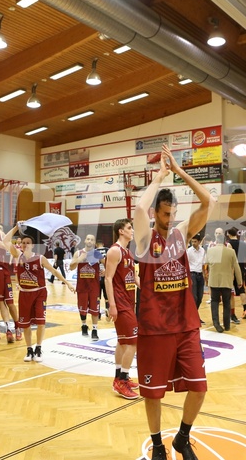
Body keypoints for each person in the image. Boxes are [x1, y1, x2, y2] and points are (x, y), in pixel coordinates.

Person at [133, 145, 215, 460]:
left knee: (199, 388)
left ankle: (182, 437)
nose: (170, 219)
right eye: (165, 214)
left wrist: (180, 173)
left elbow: (207, 201)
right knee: (152, 394)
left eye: (173, 214)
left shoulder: (181, 233)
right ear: (156, 213)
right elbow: (139, 210)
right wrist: (159, 178)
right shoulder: (144, 239)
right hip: (154, 328)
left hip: (185, 326)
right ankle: (157, 444)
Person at [4, 223, 74, 362]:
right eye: (23, 243)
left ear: (32, 245)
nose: (25, 245)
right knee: (26, 324)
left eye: (28, 243)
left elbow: (54, 271)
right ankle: (29, 349)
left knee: (41, 322)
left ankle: (39, 347)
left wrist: (67, 283)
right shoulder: (18, 255)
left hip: (39, 293)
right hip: (24, 293)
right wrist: (17, 228)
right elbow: (5, 240)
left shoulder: (40, 258)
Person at [104, 218, 140, 399]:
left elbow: (132, 276)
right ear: (120, 231)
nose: (132, 230)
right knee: (134, 342)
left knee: (123, 341)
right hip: (120, 303)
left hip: (129, 300)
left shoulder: (127, 252)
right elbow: (108, 278)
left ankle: (118, 377)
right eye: (129, 228)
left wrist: (144, 288)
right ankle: (122, 382)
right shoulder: (114, 251)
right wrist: (112, 305)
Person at [205, 228, 243, 332]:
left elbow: (206, 264)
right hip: (227, 281)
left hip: (214, 281)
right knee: (227, 303)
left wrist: (206, 277)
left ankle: (216, 323)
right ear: (225, 240)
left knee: (214, 302)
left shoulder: (210, 250)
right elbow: (236, 267)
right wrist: (239, 281)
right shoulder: (231, 252)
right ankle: (227, 325)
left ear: (217, 240)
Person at [69, 234, 104, 340]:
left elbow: (107, 264)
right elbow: (71, 267)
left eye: (92, 240)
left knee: (94, 309)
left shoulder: (97, 254)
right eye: (88, 239)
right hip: (82, 286)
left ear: (94, 243)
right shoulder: (78, 253)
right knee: (82, 308)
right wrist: (79, 259)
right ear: (85, 241)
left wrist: (105, 271)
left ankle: (94, 330)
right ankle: (84, 325)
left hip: (94, 286)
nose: (89, 241)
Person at [226, 227, 246, 321]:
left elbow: (229, 258)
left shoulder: (229, 244)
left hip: (232, 270)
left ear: (229, 234)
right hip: (241, 269)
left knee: (231, 293)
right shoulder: (243, 243)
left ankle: (231, 313)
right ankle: (245, 309)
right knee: (241, 290)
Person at [187, 233, 206, 324]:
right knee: (194, 297)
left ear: (199, 241)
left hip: (200, 275)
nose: (193, 243)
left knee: (200, 297)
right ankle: (192, 317)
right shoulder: (189, 251)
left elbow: (203, 263)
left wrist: (205, 275)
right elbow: (185, 265)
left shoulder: (202, 251)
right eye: (192, 241)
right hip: (192, 274)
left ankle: (195, 315)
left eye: (195, 241)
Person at [95, 239, 110, 320]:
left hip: (97, 276)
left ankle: (97, 313)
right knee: (107, 295)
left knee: (97, 296)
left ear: (96, 245)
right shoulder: (108, 250)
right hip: (106, 275)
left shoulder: (94, 251)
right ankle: (108, 311)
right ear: (103, 244)